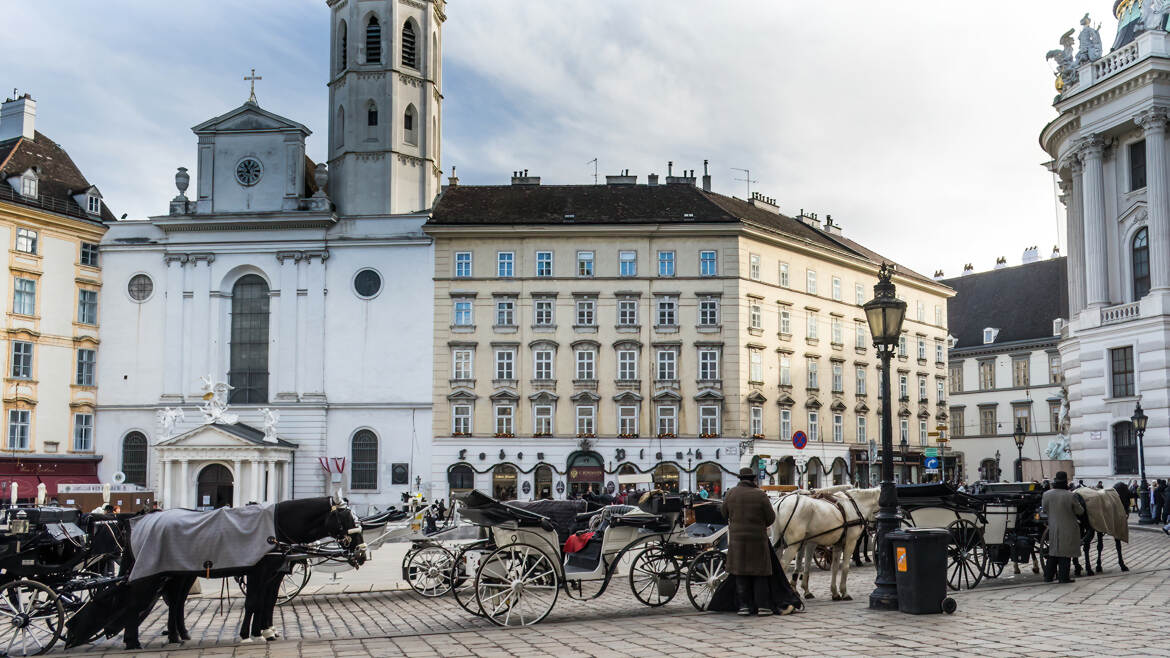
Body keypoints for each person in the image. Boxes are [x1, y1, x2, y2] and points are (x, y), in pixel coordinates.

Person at [722, 467, 790, 616]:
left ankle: (744, 606)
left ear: (740, 479)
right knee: (760, 573)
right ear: (753, 479)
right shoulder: (760, 495)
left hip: (737, 540)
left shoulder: (730, 494)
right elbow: (771, 518)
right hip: (757, 540)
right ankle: (763, 606)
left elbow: (723, 513)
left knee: (740, 573)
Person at [1042, 471, 1083, 584]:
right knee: (1066, 553)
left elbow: (1045, 509)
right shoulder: (1071, 495)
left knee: (1053, 552)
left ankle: (1048, 576)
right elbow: (1080, 511)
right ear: (1065, 482)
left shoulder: (1047, 494)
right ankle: (1063, 577)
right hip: (1069, 528)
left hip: (1054, 527)